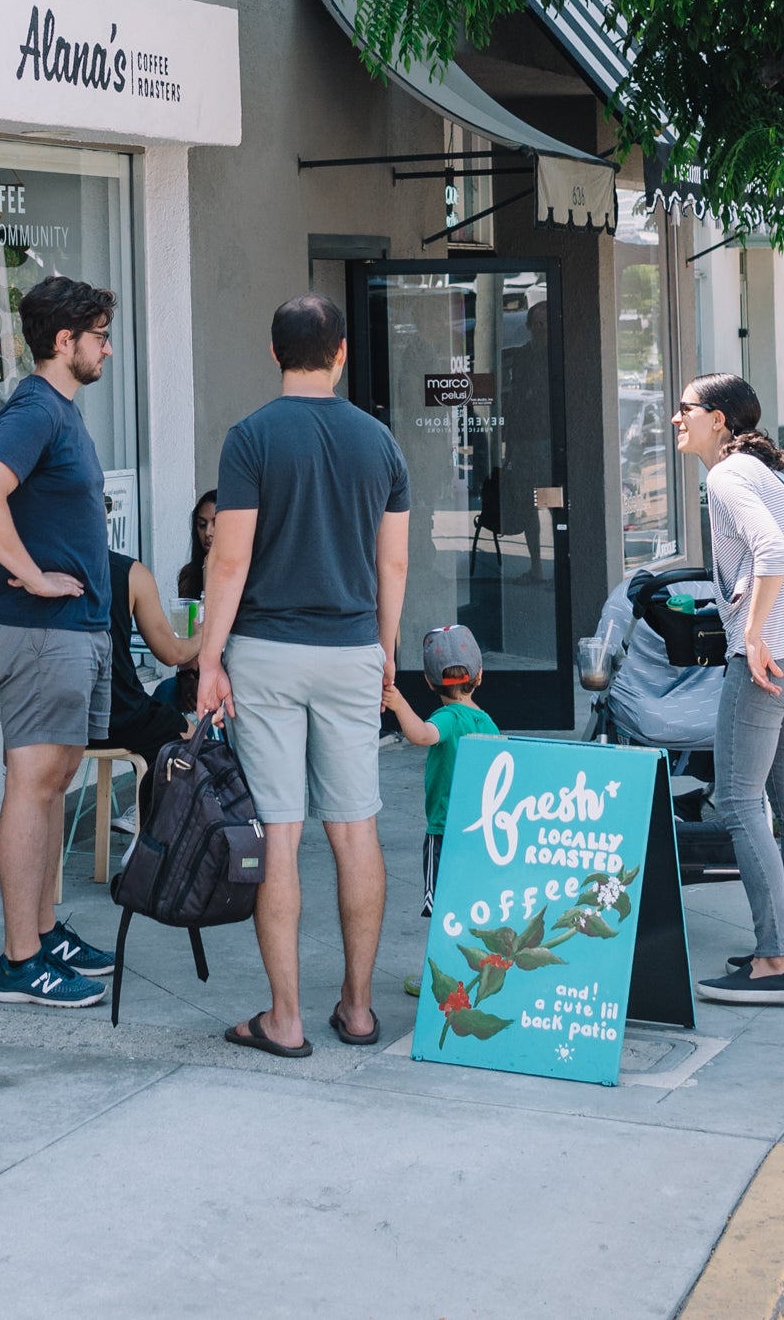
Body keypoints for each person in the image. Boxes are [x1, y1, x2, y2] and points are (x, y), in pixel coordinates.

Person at [195, 294, 412, 1058]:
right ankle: (356, 1008)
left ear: (274, 350)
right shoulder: (378, 441)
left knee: (278, 837)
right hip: (352, 648)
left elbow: (230, 558)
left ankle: (284, 1019)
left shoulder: (251, 438)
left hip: (266, 652)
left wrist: (209, 657)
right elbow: (393, 561)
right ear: (343, 352)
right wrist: (385, 648)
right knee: (356, 830)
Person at [0, 275, 121, 1012]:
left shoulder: (57, 410)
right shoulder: (34, 408)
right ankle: (19, 961)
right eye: (101, 335)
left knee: (54, 786)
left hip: (69, 634)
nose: (108, 348)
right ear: (66, 342)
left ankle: (45, 931)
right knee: (33, 785)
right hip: (41, 634)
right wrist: (32, 576)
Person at [671, 372, 784, 1005]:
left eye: (686, 409)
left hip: (767, 664)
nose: (676, 418)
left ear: (719, 420)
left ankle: (773, 962)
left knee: (737, 802)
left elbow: (770, 551)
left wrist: (753, 634)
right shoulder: (771, 474)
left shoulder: (728, 476)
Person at [382, 625, 498, 912]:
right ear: (480, 675)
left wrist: (398, 704)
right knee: (476, 904)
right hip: (482, 831)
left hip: (445, 829)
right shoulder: (488, 723)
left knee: (443, 908)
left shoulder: (448, 718)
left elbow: (422, 735)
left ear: (429, 682)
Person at [103, 548, 197, 826]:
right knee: (198, 746)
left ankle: (147, 815)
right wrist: (205, 633)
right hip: (116, 715)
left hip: (54, 717)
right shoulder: (128, 572)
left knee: (163, 700)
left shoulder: (33, 564)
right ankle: (153, 831)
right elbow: (172, 654)